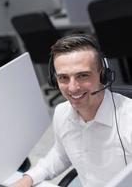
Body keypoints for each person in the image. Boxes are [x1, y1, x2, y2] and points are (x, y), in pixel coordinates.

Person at [12, 34, 132, 187]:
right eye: (63, 78)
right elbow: (61, 155)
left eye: (82, 76)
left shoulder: (128, 120)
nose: (73, 88)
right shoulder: (62, 112)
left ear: (104, 75)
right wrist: (28, 179)